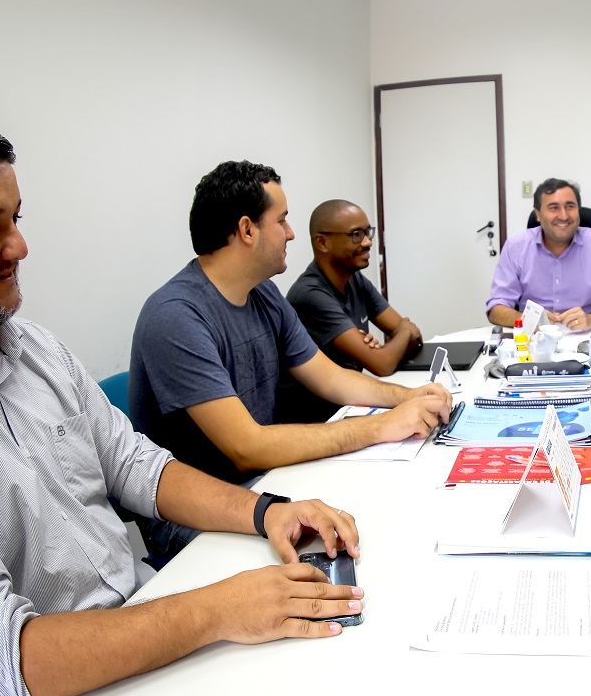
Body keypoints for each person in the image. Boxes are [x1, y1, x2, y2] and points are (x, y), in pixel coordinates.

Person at [0, 125, 364, 696]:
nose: (20, 246)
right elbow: (2, 659)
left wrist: (267, 511)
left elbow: (138, 467)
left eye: (18, 220)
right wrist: (216, 611)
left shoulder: (33, 349)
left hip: (137, 608)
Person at [130, 161, 451, 558]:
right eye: (281, 220)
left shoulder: (264, 294)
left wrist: (407, 396)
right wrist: (381, 426)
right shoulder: (175, 316)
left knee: (385, 518)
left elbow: (331, 378)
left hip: (264, 484)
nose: (291, 233)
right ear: (247, 230)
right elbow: (247, 446)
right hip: (199, 511)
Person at [278, 200, 424, 424]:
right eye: (356, 234)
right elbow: (383, 364)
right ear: (322, 242)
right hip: (317, 422)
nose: (368, 242)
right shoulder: (309, 294)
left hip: (350, 407)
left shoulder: (355, 280)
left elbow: (416, 340)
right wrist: (402, 332)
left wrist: (394, 341)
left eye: (368, 232)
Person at [486, 177, 591, 330]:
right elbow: (496, 309)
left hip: (588, 339)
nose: (563, 215)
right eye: (553, 207)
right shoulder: (515, 248)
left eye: (570, 206)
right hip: (533, 340)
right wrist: (526, 319)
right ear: (538, 214)